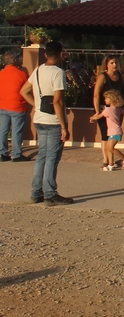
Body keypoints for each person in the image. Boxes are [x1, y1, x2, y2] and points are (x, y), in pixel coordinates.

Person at [20, 41, 73, 205]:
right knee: (52, 158)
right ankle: (50, 193)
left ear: (45, 54)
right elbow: (58, 101)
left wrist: (36, 105)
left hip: (39, 118)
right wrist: (64, 126)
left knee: (42, 156)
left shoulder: (37, 70)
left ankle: (36, 192)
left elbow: (24, 91)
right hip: (53, 121)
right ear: (60, 54)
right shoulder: (58, 73)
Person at [93, 55, 124, 146]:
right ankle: (106, 155)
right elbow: (96, 95)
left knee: (113, 133)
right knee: (105, 134)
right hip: (104, 109)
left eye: (116, 62)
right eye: (112, 63)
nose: (114, 65)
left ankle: (110, 152)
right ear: (106, 65)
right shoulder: (103, 77)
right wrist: (97, 112)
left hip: (117, 110)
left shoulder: (120, 76)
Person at [0, 51, 29, 162]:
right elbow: (28, 88)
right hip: (18, 106)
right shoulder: (22, 74)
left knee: (3, 130)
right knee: (17, 131)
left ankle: (2, 152)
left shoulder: (1, 73)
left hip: (3, 105)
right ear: (15, 60)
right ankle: (16, 154)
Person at [90, 90, 124, 170]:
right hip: (114, 131)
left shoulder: (108, 110)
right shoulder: (118, 109)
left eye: (106, 98)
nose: (105, 100)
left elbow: (99, 116)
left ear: (112, 99)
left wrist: (92, 118)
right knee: (108, 148)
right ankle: (110, 165)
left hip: (115, 132)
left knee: (110, 148)